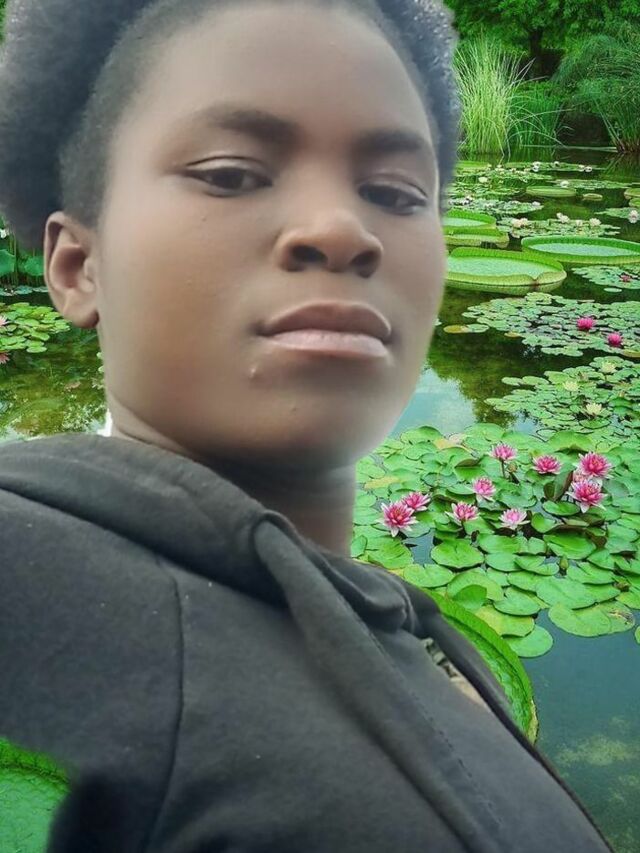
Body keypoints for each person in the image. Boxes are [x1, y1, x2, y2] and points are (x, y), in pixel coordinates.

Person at [0, 0, 613, 850]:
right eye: (231, 174)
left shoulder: (403, 633)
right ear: (77, 265)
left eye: (395, 193)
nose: (341, 229)